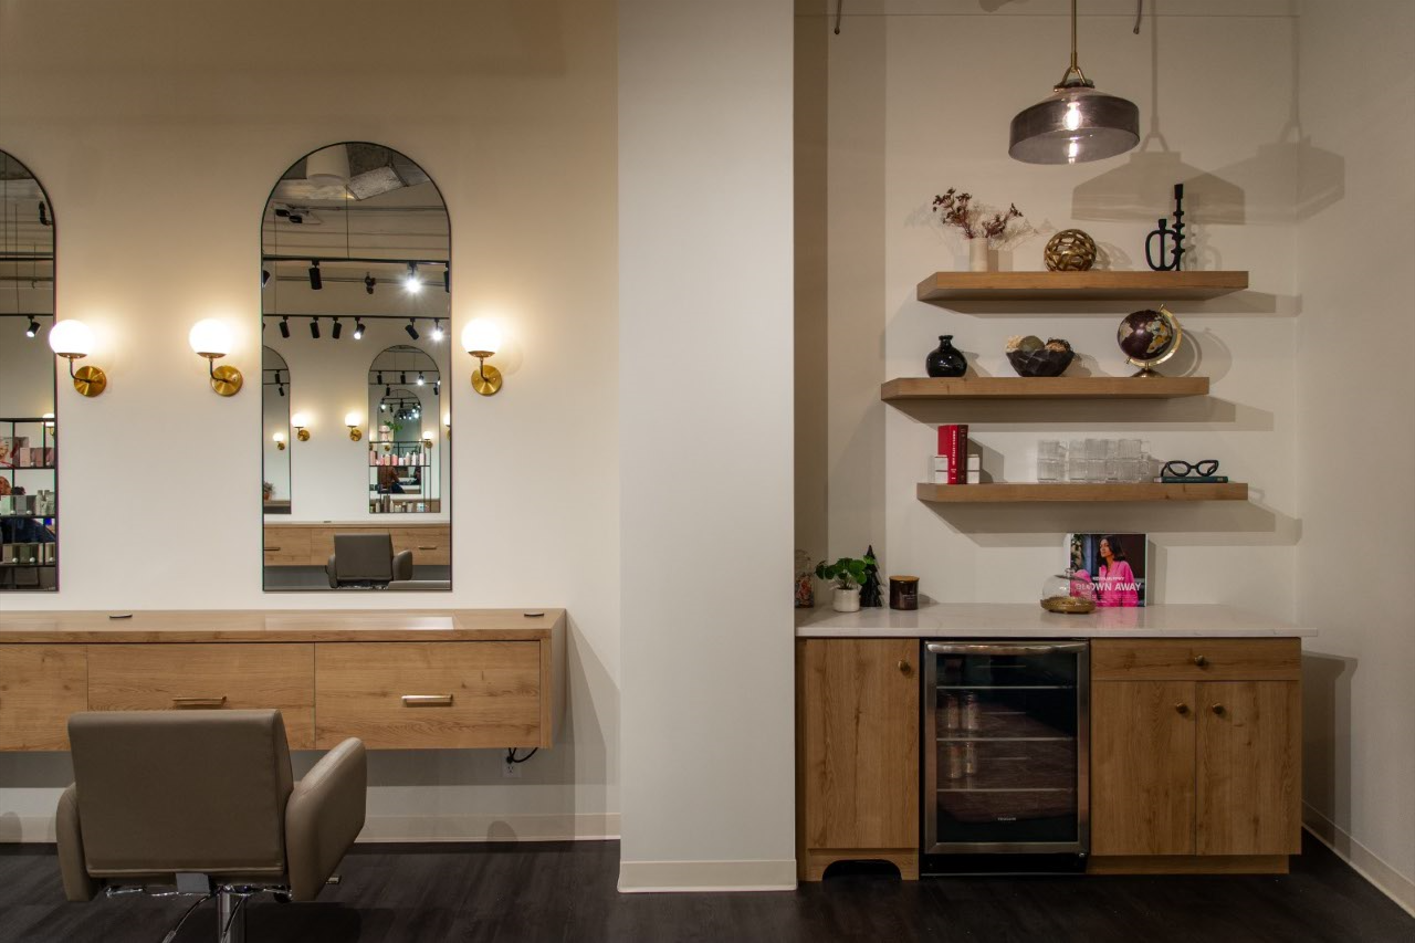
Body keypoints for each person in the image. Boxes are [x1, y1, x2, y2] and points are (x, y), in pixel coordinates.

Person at [1093, 535, 1139, 607]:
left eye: (1106, 545)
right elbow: (1101, 593)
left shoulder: (1123, 565)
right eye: (1101, 546)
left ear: (1113, 546)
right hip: (1102, 610)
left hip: (1118, 611)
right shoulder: (1102, 568)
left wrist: (1127, 615)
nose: (1102, 549)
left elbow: (1129, 594)